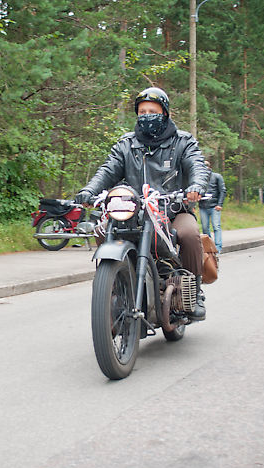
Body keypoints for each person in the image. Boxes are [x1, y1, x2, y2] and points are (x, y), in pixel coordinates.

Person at [74, 87, 209, 320]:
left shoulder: (183, 141)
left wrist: (196, 186)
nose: (146, 115)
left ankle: (194, 292)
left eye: (152, 111)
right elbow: (107, 170)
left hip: (173, 209)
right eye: (142, 111)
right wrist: (89, 190)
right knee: (104, 229)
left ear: (165, 113)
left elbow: (196, 164)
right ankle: (115, 287)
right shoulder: (127, 144)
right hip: (133, 211)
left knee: (188, 234)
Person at [198, 158, 226, 253]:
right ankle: (208, 246)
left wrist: (219, 204)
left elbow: (222, 190)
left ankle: (218, 247)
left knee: (216, 227)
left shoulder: (217, 177)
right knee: (205, 228)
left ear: (209, 167)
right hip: (203, 206)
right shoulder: (199, 178)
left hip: (214, 206)